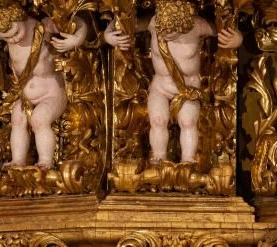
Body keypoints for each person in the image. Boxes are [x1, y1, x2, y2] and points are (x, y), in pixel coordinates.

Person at [104, 0, 242, 164]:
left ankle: (188, 161)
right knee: (158, 120)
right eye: (165, 28)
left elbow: (223, 28)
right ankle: (158, 159)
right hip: (161, 86)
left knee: (188, 122)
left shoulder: (197, 25)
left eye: (174, 29)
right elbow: (123, 21)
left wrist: (238, 39)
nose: (168, 33)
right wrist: (108, 35)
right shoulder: (153, 22)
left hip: (188, 87)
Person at [0, 5, 87, 168]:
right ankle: (18, 161)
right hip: (25, 96)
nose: (14, 40)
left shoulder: (44, 26)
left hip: (52, 93)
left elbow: (77, 21)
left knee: (39, 119)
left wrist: (76, 40)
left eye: (16, 33)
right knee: (17, 119)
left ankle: (45, 162)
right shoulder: (7, 32)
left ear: (20, 17)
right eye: (7, 39)